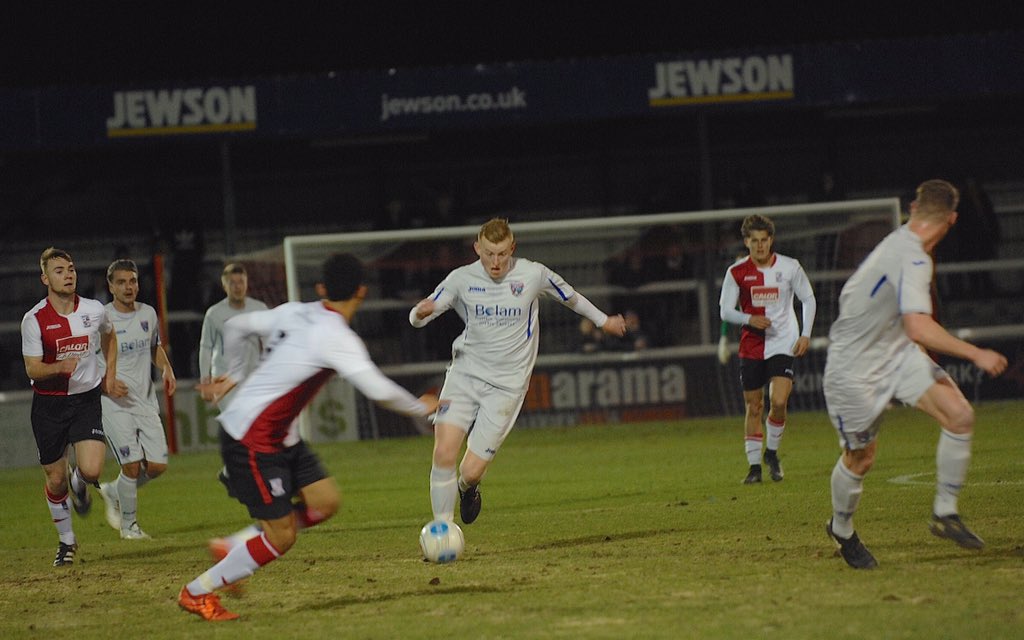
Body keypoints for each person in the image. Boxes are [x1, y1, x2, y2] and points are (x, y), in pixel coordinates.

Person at [180, 253, 438, 621]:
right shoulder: (337, 337)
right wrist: (421, 406)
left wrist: (234, 373)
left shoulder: (296, 311)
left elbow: (236, 327)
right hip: (252, 439)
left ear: (321, 288)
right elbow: (378, 390)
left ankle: (234, 545)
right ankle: (197, 591)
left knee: (325, 500)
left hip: (280, 437)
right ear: (362, 292)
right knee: (282, 536)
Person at [823, 179, 1008, 569]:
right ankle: (841, 529)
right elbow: (920, 327)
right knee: (861, 458)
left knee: (959, 415)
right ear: (952, 219)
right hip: (854, 369)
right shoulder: (914, 257)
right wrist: (977, 353)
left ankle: (945, 513)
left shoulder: (905, 245)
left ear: (912, 208)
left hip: (898, 354)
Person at [410, 218, 627, 527]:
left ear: (512, 248)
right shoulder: (461, 278)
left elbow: (571, 297)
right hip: (464, 377)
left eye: (501, 254)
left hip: (506, 389)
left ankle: (466, 488)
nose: (495, 262)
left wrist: (603, 321)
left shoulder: (533, 274)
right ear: (477, 249)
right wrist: (419, 313)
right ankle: (443, 531)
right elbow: (422, 314)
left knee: (470, 471)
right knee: (444, 452)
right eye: (488, 253)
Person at [20, 247, 126, 566]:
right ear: (45, 278)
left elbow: (110, 337)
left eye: (71, 269)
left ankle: (80, 483)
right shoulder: (34, 320)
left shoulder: (94, 310)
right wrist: (57, 368)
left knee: (92, 469)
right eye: (59, 270)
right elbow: (32, 368)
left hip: (85, 399)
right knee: (54, 480)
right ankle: (67, 542)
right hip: (49, 405)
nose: (68, 274)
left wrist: (110, 374)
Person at [719, 214, 817, 484]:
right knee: (754, 406)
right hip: (751, 345)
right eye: (754, 241)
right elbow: (725, 311)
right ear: (746, 242)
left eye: (764, 240)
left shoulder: (790, 267)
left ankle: (771, 453)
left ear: (771, 240)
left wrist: (806, 335)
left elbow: (808, 299)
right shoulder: (736, 272)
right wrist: (749, 319)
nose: (760, 246)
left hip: (784, 341)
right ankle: (754, 468)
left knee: (779, 401)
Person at [96, 259, 176, 540]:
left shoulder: (148, 314)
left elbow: (154, 347)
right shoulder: (101, 319)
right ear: (111, 287)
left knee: (157, 466)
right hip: (113, 403)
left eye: (133, 281)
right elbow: (87, 361)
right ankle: (129, 527)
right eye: (121, 282)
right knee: (131, 464)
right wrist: (106, 383)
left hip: (144, 401)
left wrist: (166, 368)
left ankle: (113, 490)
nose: (129, 287)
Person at [198, 263, 268, 408]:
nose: (237, 287)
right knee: (237, 422)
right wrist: (205, 380)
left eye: (241, 282)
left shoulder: (259, 309)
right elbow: (206, 347)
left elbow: (269, 343)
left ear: (246, 284)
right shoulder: (215, 313)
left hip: (251, 377)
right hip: (224, 378)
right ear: (225, 287)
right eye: (232, 283)